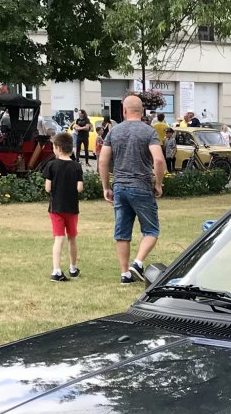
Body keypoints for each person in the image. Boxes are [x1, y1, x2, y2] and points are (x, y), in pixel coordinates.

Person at [97, 93, 165, 284]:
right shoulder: (148, 131)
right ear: (142, 110)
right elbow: (159, 160)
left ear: (124, 111)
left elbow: (103, 160)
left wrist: (106, 187)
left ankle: (125, 273)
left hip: (120, 187)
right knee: (151, 230)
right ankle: (137, 263)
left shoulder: (114, 132)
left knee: (122, 233)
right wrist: (158, 183)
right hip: (142, 186)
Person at [43, 131, 84, 282]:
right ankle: (73, 268)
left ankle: (56, 270)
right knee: (72, 238)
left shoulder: (51, 165)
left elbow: (47, 188)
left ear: (58, 148)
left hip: (56, 208)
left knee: (58, 238)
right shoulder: (76, 166)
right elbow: (79, 187)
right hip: (72, 208)